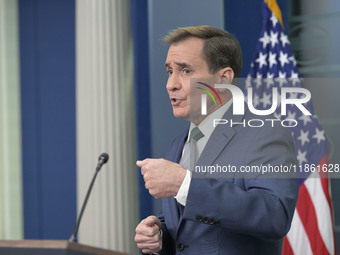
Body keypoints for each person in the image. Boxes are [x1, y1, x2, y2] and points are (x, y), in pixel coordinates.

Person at [134, 25, 298, 255]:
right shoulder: (178, 143)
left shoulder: (265, 132)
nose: (171, 84)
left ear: (223, 79)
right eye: (170, 71)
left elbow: (275, 216)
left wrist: (185, 185)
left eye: (186, 71)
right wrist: (158, 234)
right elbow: (186, 229)